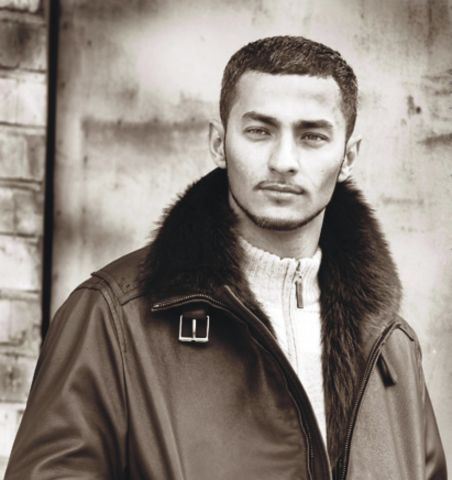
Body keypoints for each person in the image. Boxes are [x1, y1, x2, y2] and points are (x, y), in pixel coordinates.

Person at [5, 35, 446, 480]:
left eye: (312, 136)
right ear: (219, 144)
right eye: (259, 131)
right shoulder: (114, 317)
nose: (284, 161)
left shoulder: (390, 345)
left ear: (348, 156)